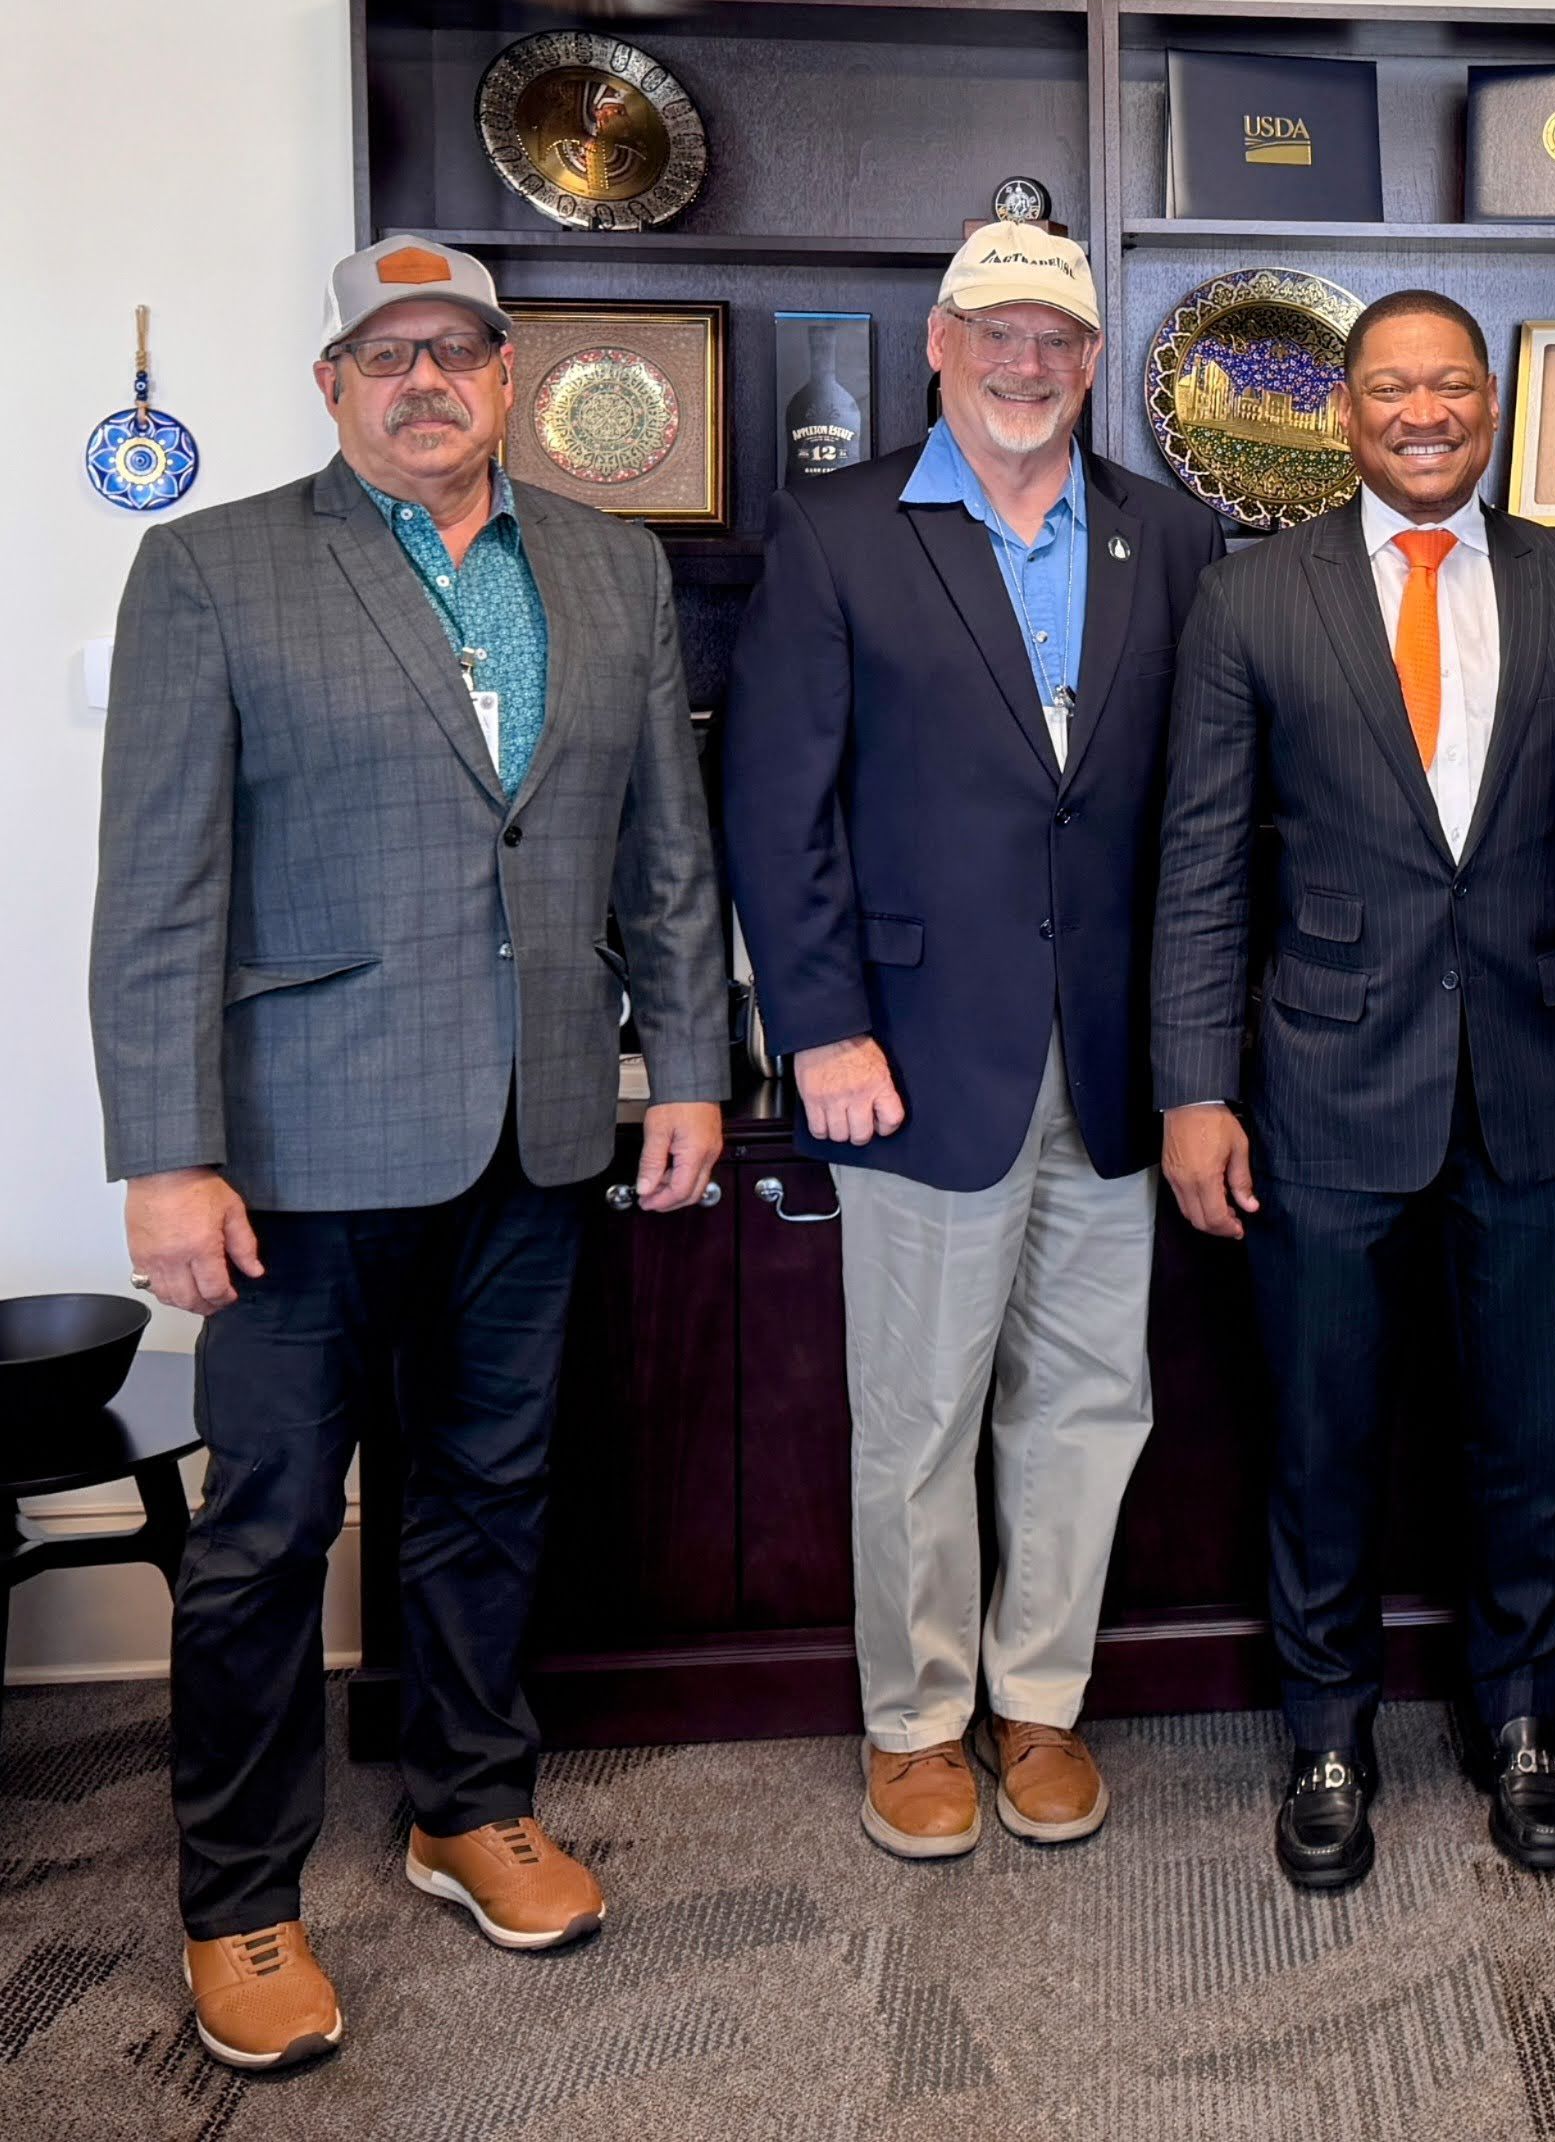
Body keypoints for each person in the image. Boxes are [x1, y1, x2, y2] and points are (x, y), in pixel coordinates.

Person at [89, 234, 728, 2070]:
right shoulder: (211, 568)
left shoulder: (608, 568)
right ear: (333, 383)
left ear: (507, 376)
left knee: (487, 1495)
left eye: (458, 349)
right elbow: (159, 888)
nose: (425, 379)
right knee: (269, 1533)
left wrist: (682, 1066)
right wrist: (166, 1153)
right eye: (389, 353)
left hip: (534, 1129)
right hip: (293, 1148)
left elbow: (661, 852)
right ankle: (241, 1897)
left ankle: (467, 1802)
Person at [1151, 289, 1555, 1891]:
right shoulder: (1251, 598)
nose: (1425, 410)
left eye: (1452, 384)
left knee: (1524, 1432)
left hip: (1537, 1079)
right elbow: (1200, 863)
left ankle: (1521, 1718)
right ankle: (1326, 1730)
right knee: (1321, 1438)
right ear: (1346, 412)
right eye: (1393, 387)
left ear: (1492, 405)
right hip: (1318, 1087)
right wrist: (1192, 1086)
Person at [723, 224, 1222, 1864]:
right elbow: (777, 808)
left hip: (1115, 1055)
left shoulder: (1169, 535)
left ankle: (1041, 1701)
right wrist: (820, 1028)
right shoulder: (842, 529)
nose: (1026, 365)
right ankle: (918, 1723)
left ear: (1093, 359)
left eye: (1056, 340)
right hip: (914, 1054)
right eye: (994, 334)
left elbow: (1188, 818)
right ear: (936, 344)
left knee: (1089, 1398)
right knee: (922, 1408)